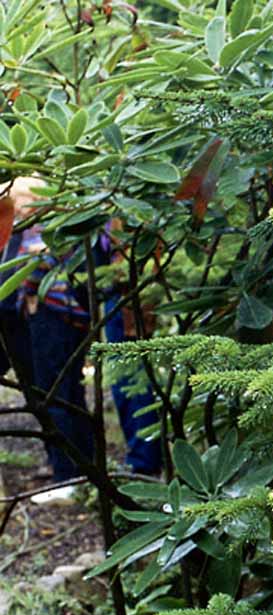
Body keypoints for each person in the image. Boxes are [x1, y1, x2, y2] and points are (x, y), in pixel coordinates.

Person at [0, 176, 161, 491]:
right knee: (72, 393)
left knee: (65, 393)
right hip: (80, 309)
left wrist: (29, 295)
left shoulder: (49, 225)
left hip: (65, 311)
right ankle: (89, 470)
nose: (16, 209)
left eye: (18, 202)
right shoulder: (69, 218)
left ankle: (76, 476)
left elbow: (37, 269)